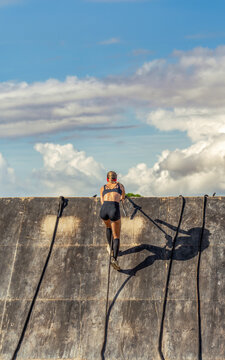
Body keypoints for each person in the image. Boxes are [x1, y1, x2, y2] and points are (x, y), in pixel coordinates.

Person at [100, 171, 126, 270]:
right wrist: (121, 198)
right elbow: (122, 198)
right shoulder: (120, 186)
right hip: (113, 209)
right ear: (116, 178)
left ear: (107, 179)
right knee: (116, 236)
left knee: (108, 226)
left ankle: (110, 248)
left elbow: (102, 201)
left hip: (104, 210)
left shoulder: (103, 187)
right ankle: (114, 259)